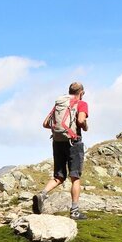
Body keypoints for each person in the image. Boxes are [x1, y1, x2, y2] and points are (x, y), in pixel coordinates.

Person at [34, 82, 90, 220]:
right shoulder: (81, 103)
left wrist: (61, 131)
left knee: (58, 176)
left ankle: (43, 194)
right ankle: (75, 211)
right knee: (75, 177)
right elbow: (81, 120)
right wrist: (85, 126)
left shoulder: (60, 103)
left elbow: (46, 123)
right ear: (81, 92)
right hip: (73, 142)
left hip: (58, 142)